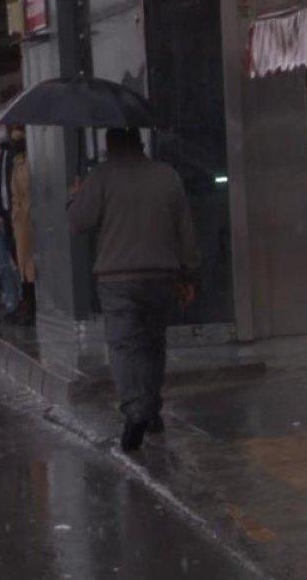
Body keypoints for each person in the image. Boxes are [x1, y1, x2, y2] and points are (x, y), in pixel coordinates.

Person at [66, 128, 201, 452]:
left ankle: (134, 411)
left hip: (117, 278)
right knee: (154, 344)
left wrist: (75, 194)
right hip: (160, 274)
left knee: (125, 346)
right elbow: (185, 230)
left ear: (110, 145)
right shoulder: (166, 176)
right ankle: (151, 410)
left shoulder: (101, 177)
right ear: (139, 143)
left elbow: (78, 222)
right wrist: (190, 272)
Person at [0, 134, 21, 316]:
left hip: (16, 214)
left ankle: (19, 298)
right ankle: (12, 299)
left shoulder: (16, 157)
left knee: (17, 261)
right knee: (4, 264)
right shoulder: (3, 155)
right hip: (2, 215)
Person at [9, 127, 36, 326]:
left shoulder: (31, 161)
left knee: (33, 263)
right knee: (24, 262)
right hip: (21, 219)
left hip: (34, 216)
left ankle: (32, 304)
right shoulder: (16, 163)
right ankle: (28, 302)